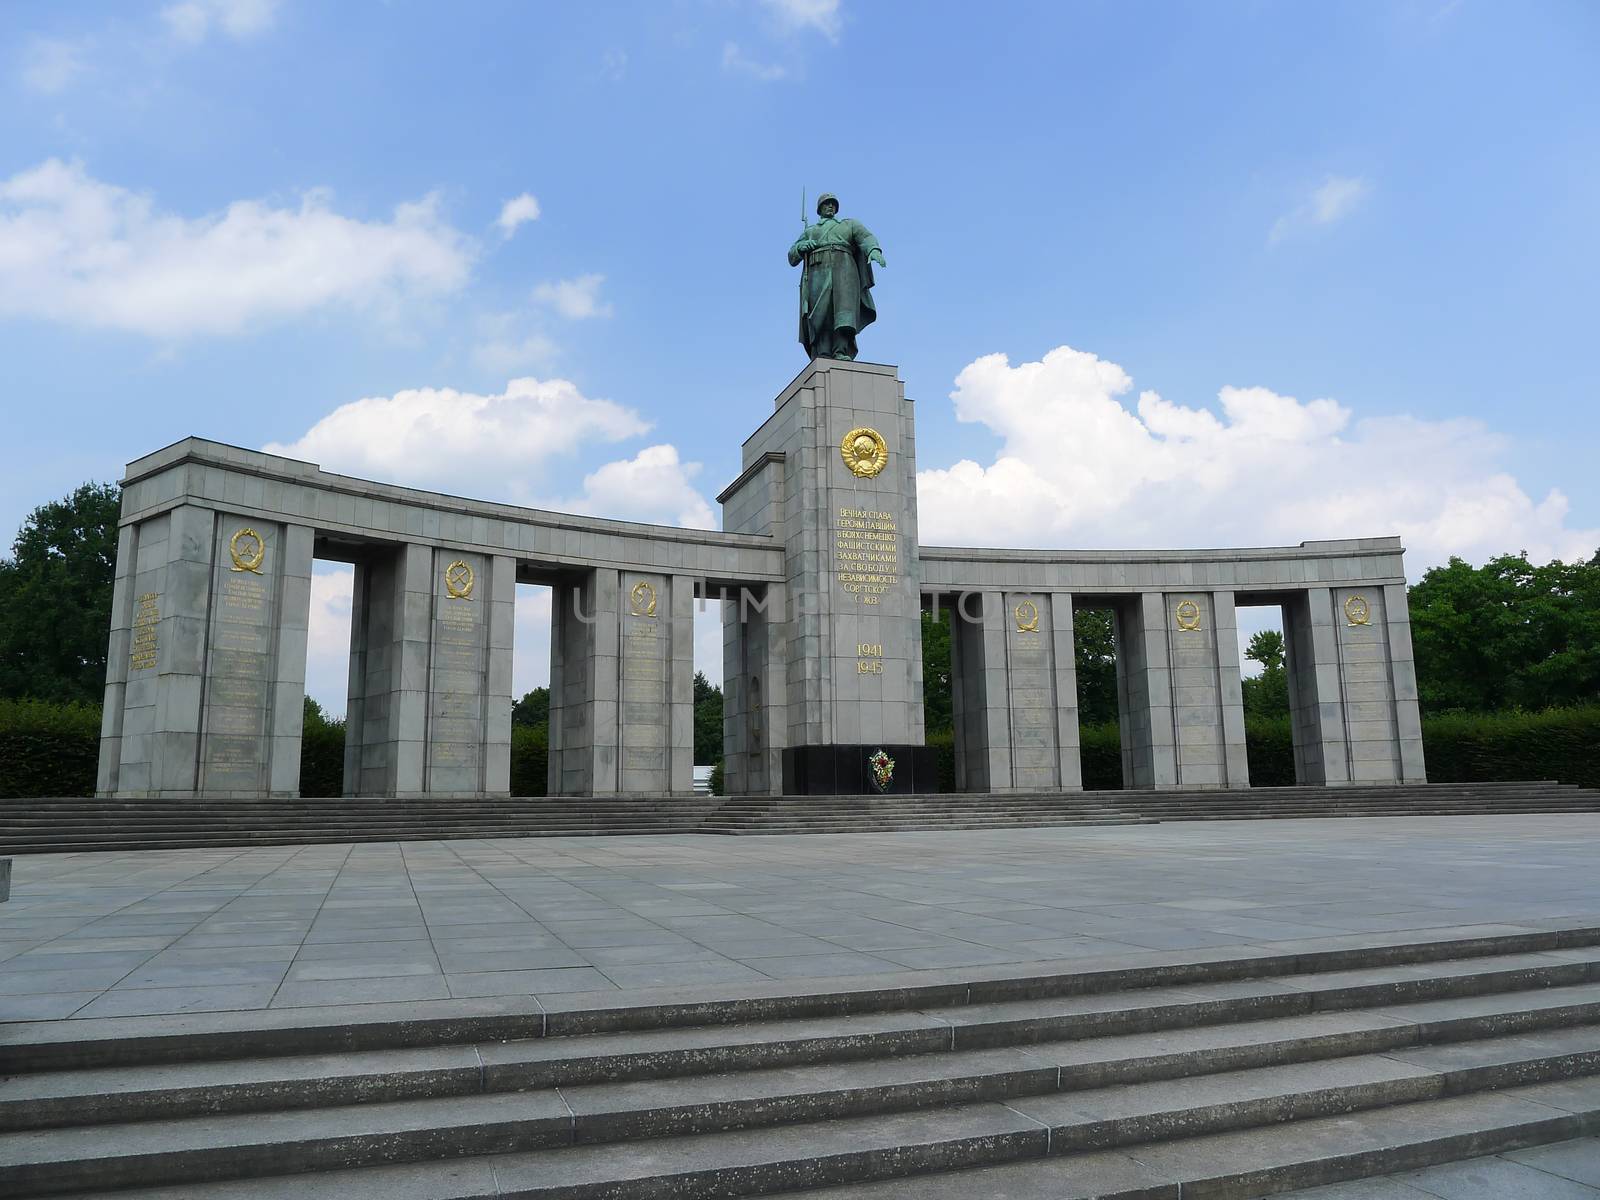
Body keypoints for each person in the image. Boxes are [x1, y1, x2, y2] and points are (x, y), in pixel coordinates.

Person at [788, 193, 886, 361]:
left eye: (833, 204)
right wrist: (801, 247)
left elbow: (866, 237)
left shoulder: (849, 225)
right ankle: (823, 351)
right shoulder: (811, 231)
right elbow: (792, 256)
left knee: (844, 312)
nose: (830, 207)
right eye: (826, 204)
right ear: (819, 209)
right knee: (821, 313)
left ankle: (841, 350)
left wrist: (874, 249)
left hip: (845, 268)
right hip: (817, 270)